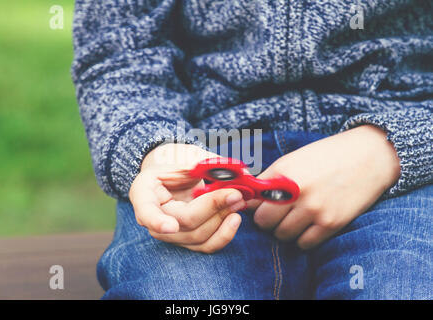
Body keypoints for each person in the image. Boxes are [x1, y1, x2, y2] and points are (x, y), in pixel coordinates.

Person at [71, 0, 432, 299]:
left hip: (403, 166)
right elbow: (118, 56)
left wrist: (394, 147)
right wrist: (159, 150)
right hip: (204, 158)